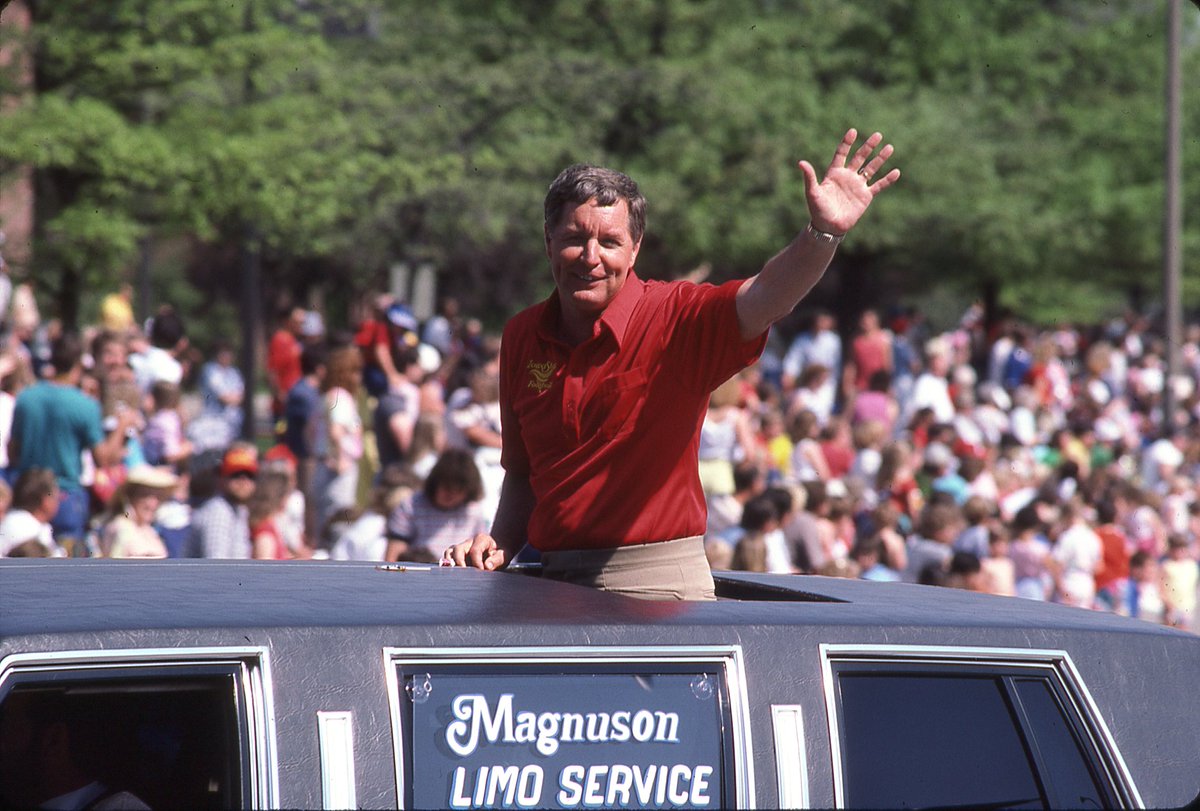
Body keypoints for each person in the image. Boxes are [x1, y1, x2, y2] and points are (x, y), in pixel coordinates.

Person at [446, 129, 899, 599]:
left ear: (635, 248)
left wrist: (822, 235)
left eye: (610, 241)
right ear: (547, 241)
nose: (591, 257)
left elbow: (766, 297)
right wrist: (498, 543)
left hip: (653, 586)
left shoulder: (675, 317)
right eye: (574, 238)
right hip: (547, 581)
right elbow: (524, 472)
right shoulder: (522, 334)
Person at [8, 333, 138, 556]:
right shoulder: (85, 406)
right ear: (78, 364)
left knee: (23, 558)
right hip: (65, 496)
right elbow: (103, 459)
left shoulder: (26, 398)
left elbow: (12, 452)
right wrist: (122, 426)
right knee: (68, 567)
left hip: (26, 494)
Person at [185, 443, 257, 559]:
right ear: (221, 478)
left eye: (249, 475)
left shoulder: (239, 509)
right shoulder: (218, 512)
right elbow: (217, 567)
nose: (243, 481)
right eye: (236, 474)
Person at [97, 465, 177, 559]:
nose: (153, 504)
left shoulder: (150, 530)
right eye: (145, 495)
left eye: (157, 497)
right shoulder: (120, 527)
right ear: (131, 497)